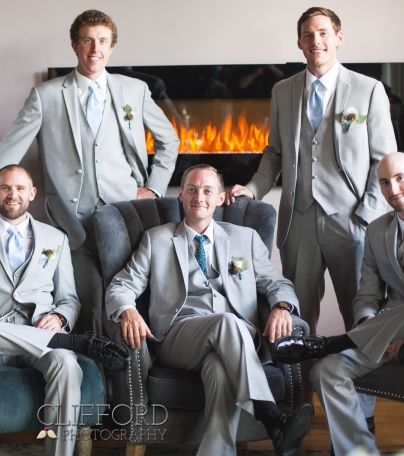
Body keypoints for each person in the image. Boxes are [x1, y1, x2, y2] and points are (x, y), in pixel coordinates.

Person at [0, 9, 179, 336]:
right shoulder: (46, 96)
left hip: (126, 215)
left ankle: (128, 367)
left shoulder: (134, 90)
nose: (95, 49)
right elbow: (7, 153)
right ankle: (89, 364)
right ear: (74, 45)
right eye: (87, 40)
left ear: (112, 47)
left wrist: (154, 189)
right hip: (72, 221)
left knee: (128, 300)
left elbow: (169, 140)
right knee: (86, 303)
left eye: (102, 41)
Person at [274, 152, 404, 456]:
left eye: (400, 178)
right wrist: (368, 323)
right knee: (325, 370)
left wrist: (403, 331)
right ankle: (359, 450)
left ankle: (336, 342)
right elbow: (367, 297)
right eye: (385, 182)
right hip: (385, 342)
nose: (393, 189)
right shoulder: (376, 231)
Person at [105, 164, 313, 456]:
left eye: (207, 190)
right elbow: (121, 286)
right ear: (181, 194)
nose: (198, 196)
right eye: (192, 189)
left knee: (218, 369)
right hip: (178, 338)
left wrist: (282, 306)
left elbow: (276, 282)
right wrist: (128, 311)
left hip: (237, 339)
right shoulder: (157, 239)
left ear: (220, 197)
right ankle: (270, 416)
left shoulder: (245, 238)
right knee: (226, 322)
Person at [226, 7, 397, 336]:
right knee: (296, 319)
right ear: (299, 43)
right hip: (298, 222)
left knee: (361, 316)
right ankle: (301, 374)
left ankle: (358, 374)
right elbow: (275, 152)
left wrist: (367, 215)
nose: (315, 41)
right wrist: (254, 188)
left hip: (351, 220)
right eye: (308, 35)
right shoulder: (283, 90)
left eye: (323, 33)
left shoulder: (368, 89)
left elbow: (385, 160)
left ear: (339, 37)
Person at [0, 165, 128, 456]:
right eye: (5, 188)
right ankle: (71, 342)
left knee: (67, 363)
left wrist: (59, 317)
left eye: (19, 188)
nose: (12, 194)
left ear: (31, 193)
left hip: (40, 336)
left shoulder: (55, 238)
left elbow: (69, 299)